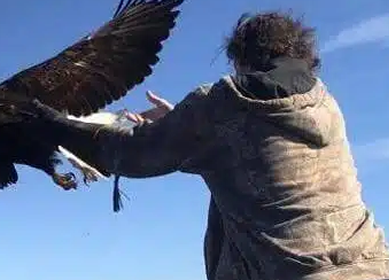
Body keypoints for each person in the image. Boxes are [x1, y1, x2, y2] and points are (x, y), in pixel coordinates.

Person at [37, 11, 389, 280]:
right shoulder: (323, 103)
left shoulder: (228, 101)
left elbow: (130, 156)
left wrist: (53, 124)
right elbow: (258, 157)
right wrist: (182, 123)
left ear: (242, 59)